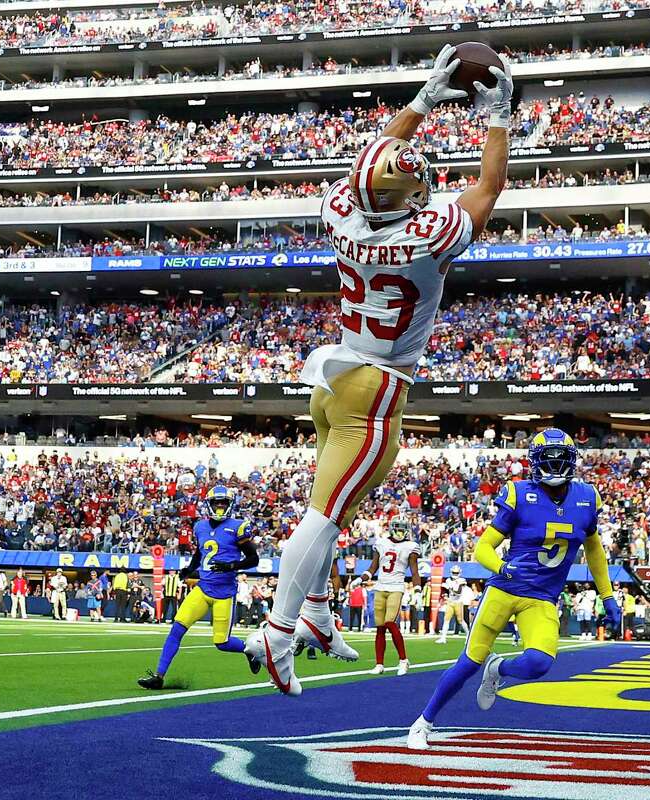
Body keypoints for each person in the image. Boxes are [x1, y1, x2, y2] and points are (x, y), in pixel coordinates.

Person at [260, 44, 514, 695]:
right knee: (321, 516)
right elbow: (488, 187)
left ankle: (315, 612)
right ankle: (278, 628)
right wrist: (499, 116)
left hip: (334, 377)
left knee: (333, 510)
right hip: (374, 390)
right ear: (410, 196)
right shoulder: (428, 234)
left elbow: (364, 171)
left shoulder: (340, 213)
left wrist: (422, 102)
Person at [407, 429, 621, 749]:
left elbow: (595, 551)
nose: (555, 464)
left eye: (561, 458)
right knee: (468, 663)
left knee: (539, 663)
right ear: (535, 462)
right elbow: (483, 548)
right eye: (549, 459)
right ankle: (423, 723)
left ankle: (499, 668)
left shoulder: (586, 497)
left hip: (542, 598)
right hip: (505, 590)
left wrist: (608, 596)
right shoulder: (519, 493)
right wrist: (502, 567)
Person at [139, 486, 261, 689]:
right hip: (203, 588)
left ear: (230, 505)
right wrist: (189, 569)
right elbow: (200, 554)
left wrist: (232, 566)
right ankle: (159, 676)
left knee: (222, 643)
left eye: (223, 503)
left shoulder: (238, 527)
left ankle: (251, 650)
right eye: (216, 503)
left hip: (224, 593)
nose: (220, 506)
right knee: (176, 629)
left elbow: (253, 558)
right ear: (209, 505)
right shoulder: (200, 527)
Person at [359, 519, 421, 675]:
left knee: (390, 623)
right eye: (398, 529)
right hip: (380, 586)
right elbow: (373, 567)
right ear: (392, 529)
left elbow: (414, 571)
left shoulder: (411, 546)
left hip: (396, 587)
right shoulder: (381, 543)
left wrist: (418, 590)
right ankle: (379, 664)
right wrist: (361, 579)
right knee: (380, 627)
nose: (400, 532)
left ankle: (403, 660)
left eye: (402, 529)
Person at [437, 565, 469, 644]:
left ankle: (468, 636)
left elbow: (458, 592)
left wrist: (449, 588)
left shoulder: (462, 580)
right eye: (454, 572)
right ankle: (443, 638)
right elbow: (445, 591)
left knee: (461, 621)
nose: (455, 574)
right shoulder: (448, 580)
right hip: (450, 601)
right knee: (446, 620)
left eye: (456, 572)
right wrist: (445, 595)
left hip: (458, 602)